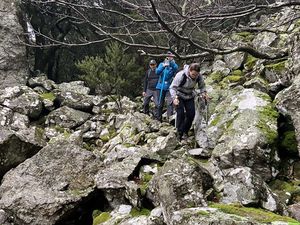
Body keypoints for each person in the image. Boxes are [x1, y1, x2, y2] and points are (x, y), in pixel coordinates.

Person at [169, 63, 207, 141]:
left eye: (196, 75)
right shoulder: (181, 75)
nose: (194, 76)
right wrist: (174, 98)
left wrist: (204, 94)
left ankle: (185, 131)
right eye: (193, 74)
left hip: (189, 95)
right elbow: (172, 87)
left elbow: (202, 86)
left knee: (191, 114)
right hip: (178, 95)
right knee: (181, 114)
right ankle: (179, 133)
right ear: (189, 70)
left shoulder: (198, 76)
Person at [156, 51, 179, 122]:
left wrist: (171, 62)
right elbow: (157, 72)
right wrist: (163, 66)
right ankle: (158, 118)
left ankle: (170, 118)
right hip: (160, 86)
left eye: (171, 55)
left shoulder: (173, 65)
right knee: (160, 103)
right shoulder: (161, 64)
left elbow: (176, 69)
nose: (169, 57)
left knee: (170, 102)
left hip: (169, 87)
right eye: (168, 55)